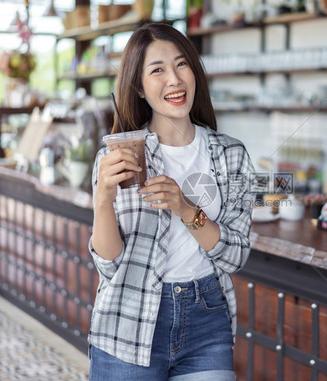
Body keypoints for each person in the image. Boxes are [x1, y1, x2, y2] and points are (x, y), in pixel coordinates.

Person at [87, 23, 255, 380]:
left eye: (181, 65)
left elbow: (236, 255)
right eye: (157, 70)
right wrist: (102, 200)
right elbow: (109, 266)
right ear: (139, 87)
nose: (174, 80)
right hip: (129, 320)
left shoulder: (232, 156)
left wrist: (185, 207)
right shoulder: (119, 156)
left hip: (206, 319)